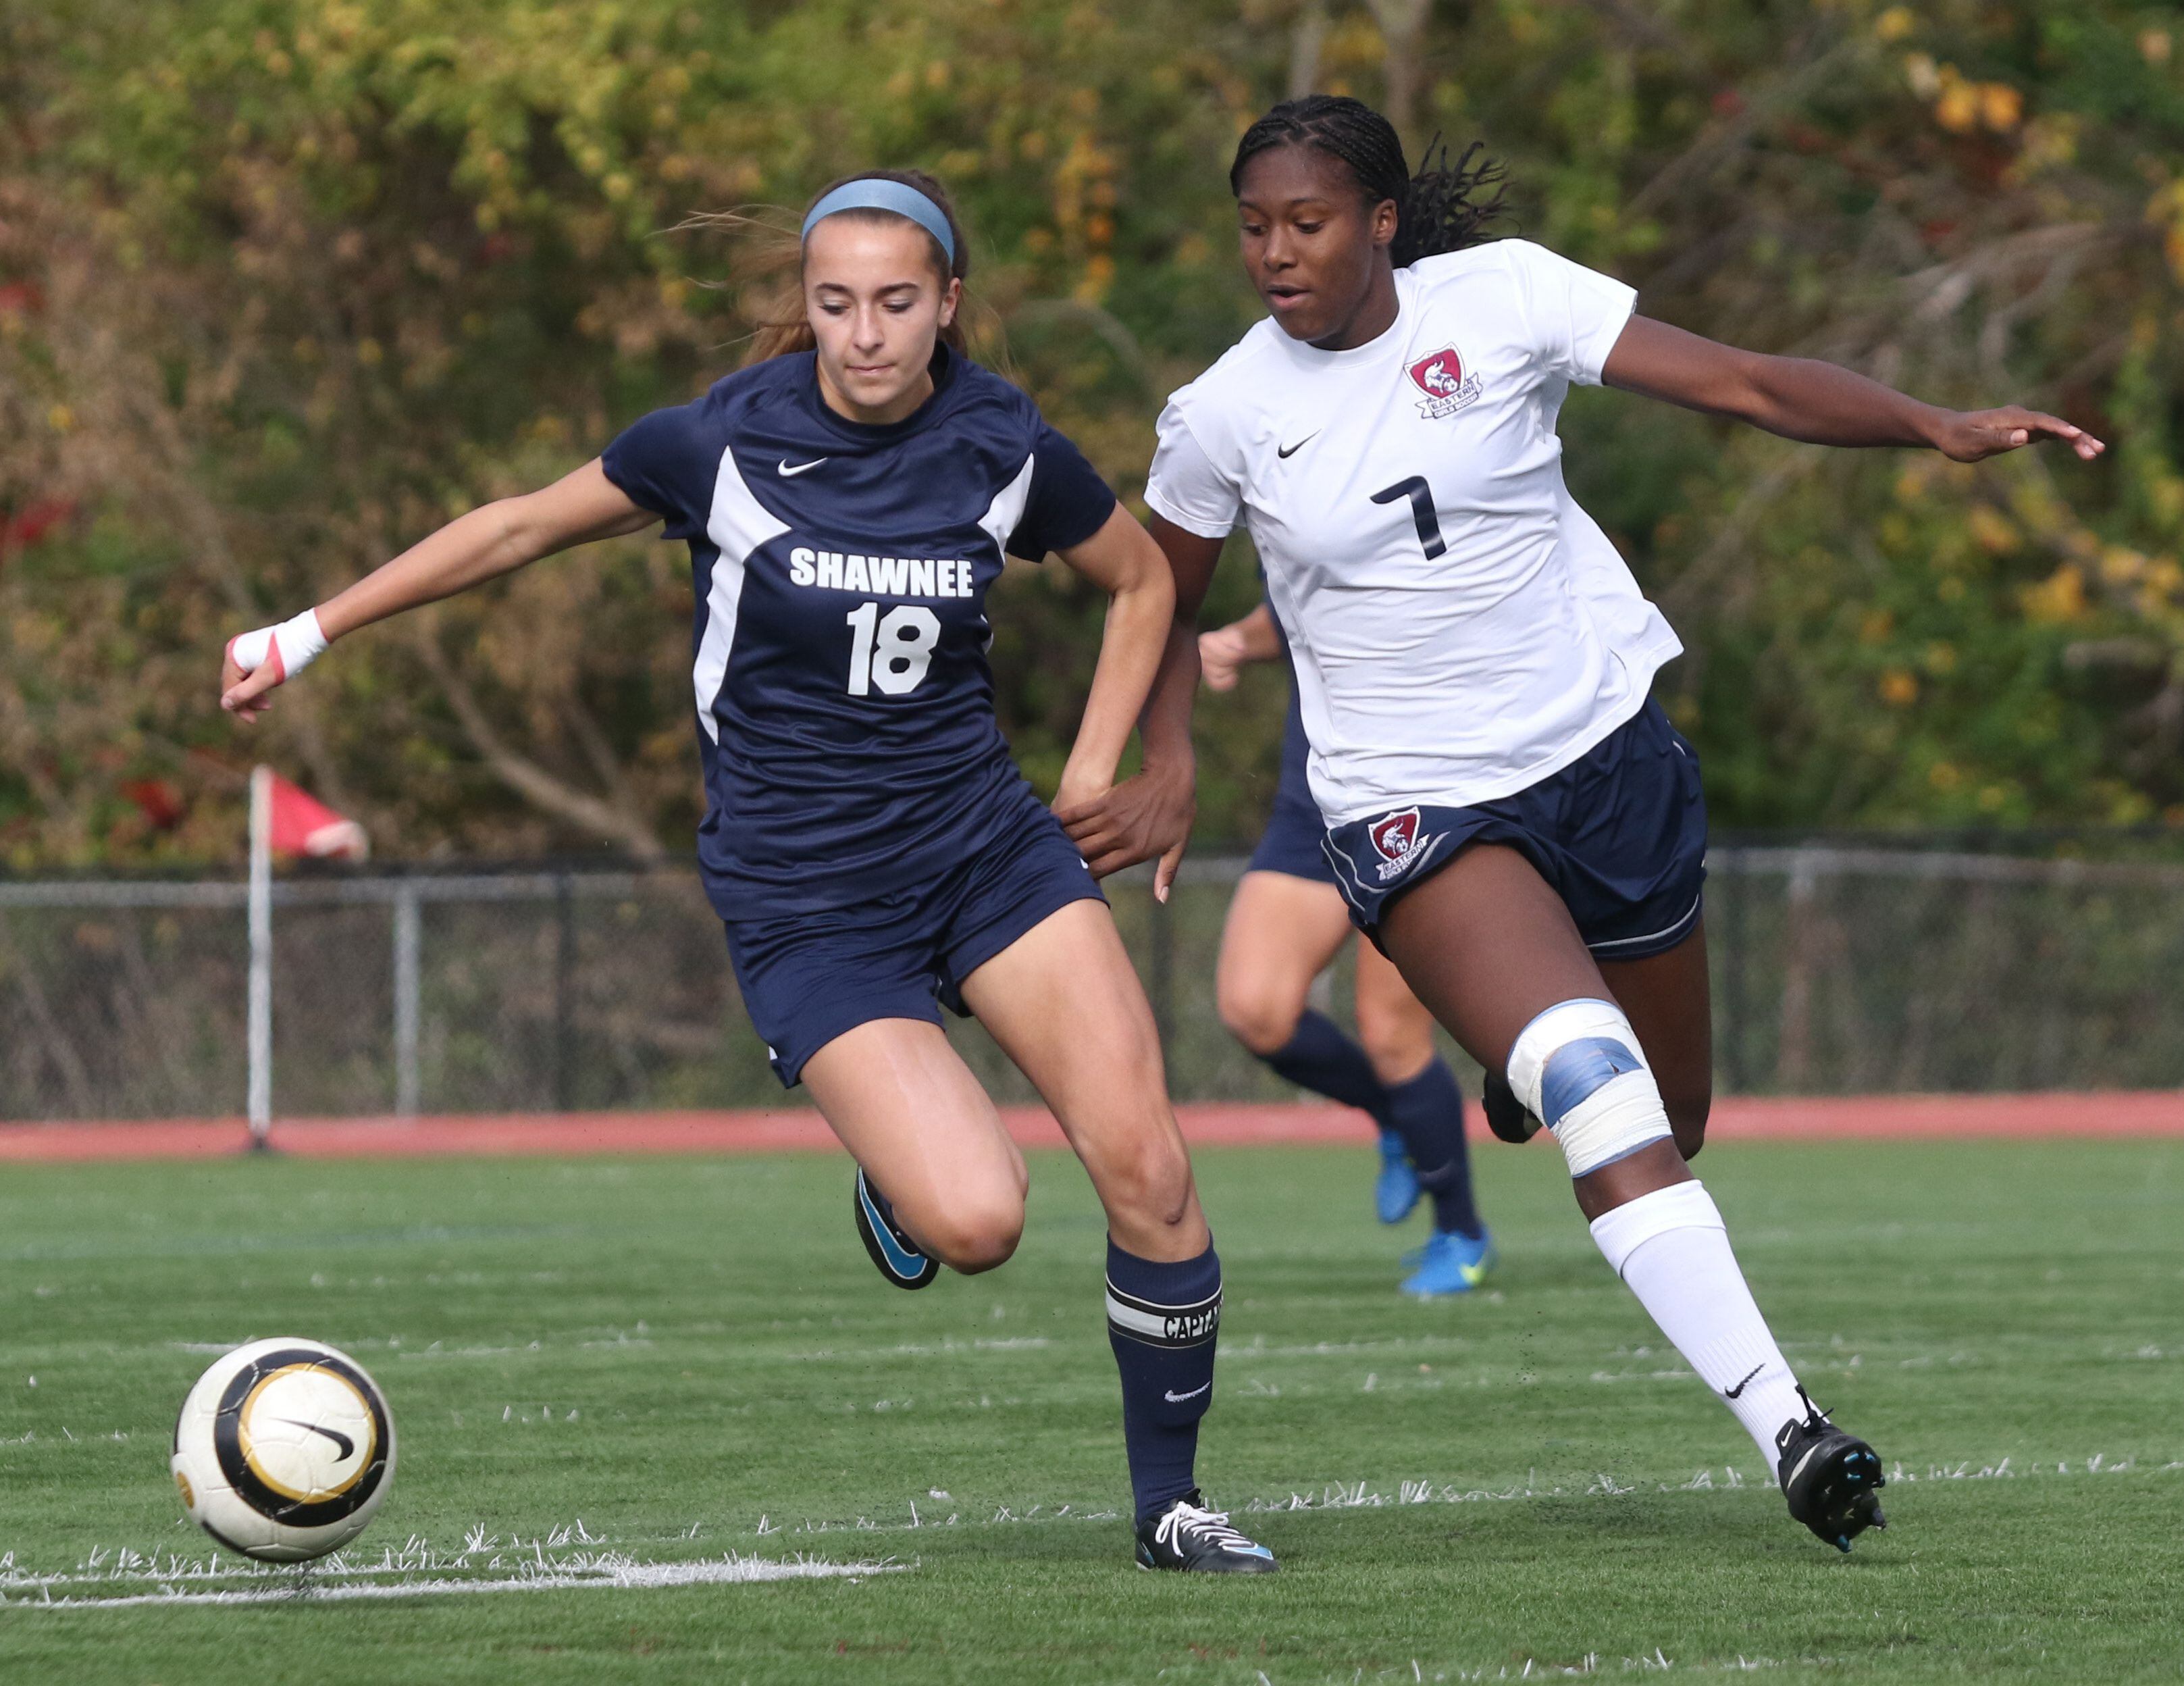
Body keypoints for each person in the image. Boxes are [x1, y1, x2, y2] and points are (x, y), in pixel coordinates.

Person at [1063, 95, 2104, 1554]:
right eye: (1253, 228)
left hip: (1606, 763)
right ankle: (1791, 1426)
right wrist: (1163, 751)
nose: (1276, 254)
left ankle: (1529, 1064)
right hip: (1414, 807)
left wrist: (1928, 424)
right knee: (1604, 1091)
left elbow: (1745, 384)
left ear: (1379, 220)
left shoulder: (1507, 300)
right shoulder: (1222, 412)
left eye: (1307, 224)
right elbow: (1158, 592)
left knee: (1673, 1125)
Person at [217, 170, 1276, 1575]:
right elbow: (518, 524)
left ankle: (1173, 1509)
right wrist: (308, 632)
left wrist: (1100, 764)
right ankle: (899, 1177)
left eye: (898, 302)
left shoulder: (1005, 442)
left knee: (1147, 1163)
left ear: (948, 303)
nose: (865, 333)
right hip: (806, 897)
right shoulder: (719, 442)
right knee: (977, 1221)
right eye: (836, 303)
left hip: (984, 847)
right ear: (807, 308)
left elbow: (1142, 582)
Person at [1199, 595, 1491, 1294]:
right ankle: (1394, 1118)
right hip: (1318, 798)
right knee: (1255, 1007)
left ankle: (1463, 1232)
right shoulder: (1277, 493)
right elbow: (1302, 601)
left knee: (1392, 1031)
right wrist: (1241, 637)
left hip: (1425, 791)